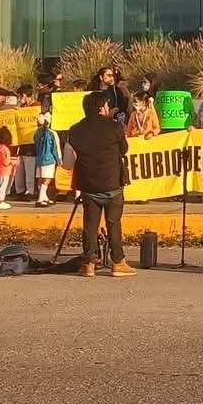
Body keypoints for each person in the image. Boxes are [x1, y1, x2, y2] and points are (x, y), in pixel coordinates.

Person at [65, 89, 137, 275]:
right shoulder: (114, 127)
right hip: (112, 184)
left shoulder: (75, 130)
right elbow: (124, 150)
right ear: (101, 107)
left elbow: (67, 162)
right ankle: (118, 262)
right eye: (106, 105)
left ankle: (88, 263)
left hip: (88, 186)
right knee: (114, 223)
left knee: (90, 225)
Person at [31, 110, 60, 206]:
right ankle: (40, 199)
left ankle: (44, 198)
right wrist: (59, 160)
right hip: (49, 159)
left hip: (39, 158)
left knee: (41, 178)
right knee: (47, 179)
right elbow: (55, 148)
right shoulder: (52, 133)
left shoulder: (37, 132)